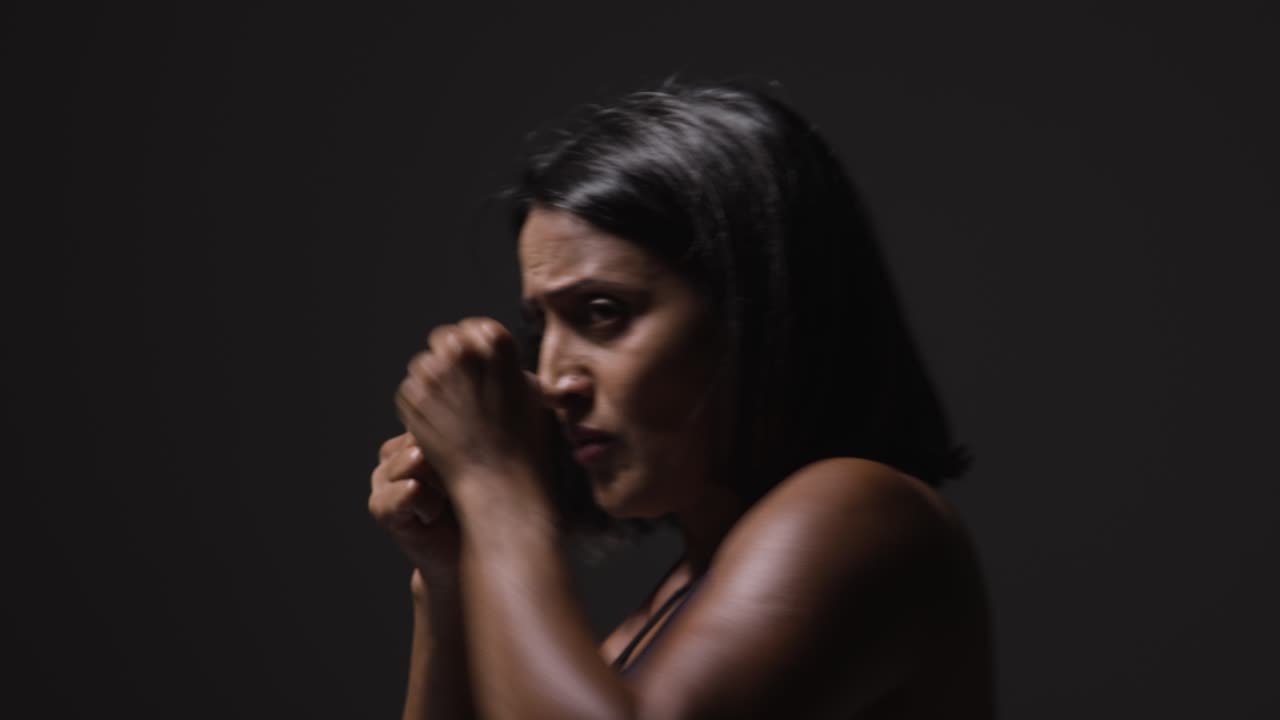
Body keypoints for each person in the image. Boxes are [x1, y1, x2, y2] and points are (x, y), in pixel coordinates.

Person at [369, 81, 994, 719]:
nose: (556, 380)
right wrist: (451, 578)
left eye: (603, 312)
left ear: (756, 313)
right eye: (542, 327)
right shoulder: (689, 584)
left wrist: (492, 480)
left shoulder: (859, 510)